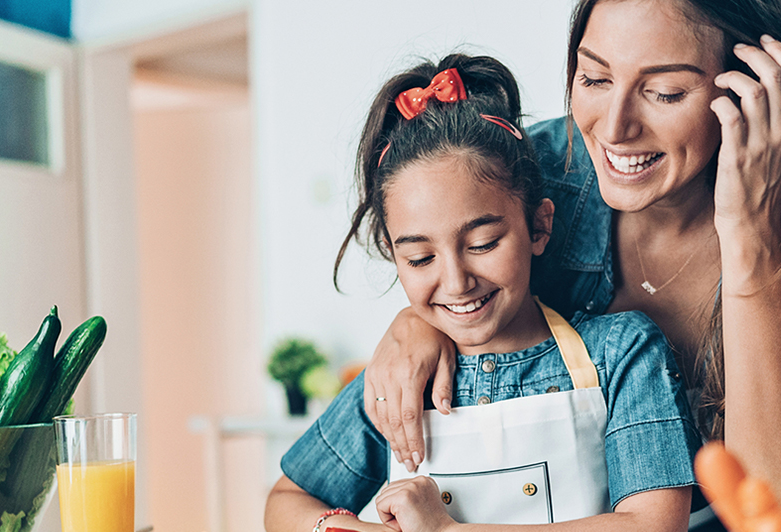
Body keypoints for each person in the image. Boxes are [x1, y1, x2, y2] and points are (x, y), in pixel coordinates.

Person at [361, 0, 781, 515]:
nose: (614, 128)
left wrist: (751, 231)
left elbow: (777, 505)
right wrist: (417, 323)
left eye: (664, 93)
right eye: (594, 78)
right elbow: (452, 274)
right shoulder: (544, 170)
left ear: (753, 90)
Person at [264, 54, 701, 532]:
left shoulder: (621, 354)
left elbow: (654, 525)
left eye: (482, 244)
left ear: (538, 226)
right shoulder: (397, 383)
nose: (456, 282)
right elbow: (287, 500)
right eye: (420, 259)